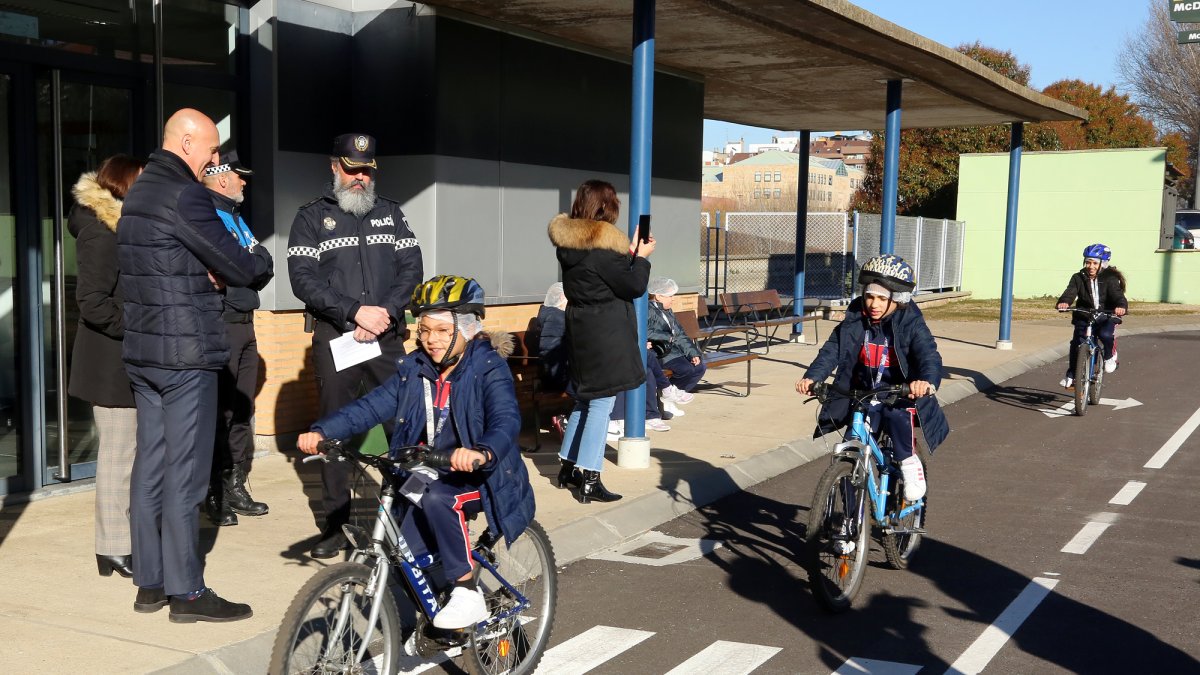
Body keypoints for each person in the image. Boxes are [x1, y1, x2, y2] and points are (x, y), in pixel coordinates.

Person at [296, 275, 534, 629]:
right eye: (423, 330)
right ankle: (441, 617)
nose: (430, 340)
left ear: (466, 329)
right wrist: (323, 431)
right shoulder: (414, 369)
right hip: (431, 468)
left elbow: (505, 419)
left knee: (439, 499)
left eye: (440, 330)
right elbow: (372, 406)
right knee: (406, 551)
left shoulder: (488, 368)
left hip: (482, 472)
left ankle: (467, 592)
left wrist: (481, 451)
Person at [118, 108, 273, 622]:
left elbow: (163, 259)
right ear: (186, 144)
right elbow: (243, 266)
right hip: (183, 355)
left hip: (144, 352)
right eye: (210, 150)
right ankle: (185, 593)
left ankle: (150, 583)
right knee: (185, 474)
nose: (214, 160)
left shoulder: (139, 191)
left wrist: (201, 269)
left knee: (150, 467)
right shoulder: (186, 194)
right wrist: (232, 267)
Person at [287, 133, 424, 558]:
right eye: (352, 168)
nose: (360, 177)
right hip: (338, 340)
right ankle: (334, 525)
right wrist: (353, 312)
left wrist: (382, 311)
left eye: (366, 169)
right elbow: (302, 280)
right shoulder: (310, 217)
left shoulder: (392, 214)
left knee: (407, 424)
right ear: (334, 167)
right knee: (334, 433)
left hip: (386, 338)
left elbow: (411, 269)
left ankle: (409, 519)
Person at [795, 254, 949, 501]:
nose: (873, 304)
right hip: (864, 392)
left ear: (896, 300)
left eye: (881, 298)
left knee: (897, 416)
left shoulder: (910, 322)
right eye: (869, 296)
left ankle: (910, 465)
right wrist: (812, 377)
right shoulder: (855, 319)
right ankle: (848, 521)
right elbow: (832, 349)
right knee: (849, 453)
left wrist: (926, 382)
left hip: (899, 392)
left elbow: (928, 355)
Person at [548, 179, 654, 503]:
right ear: (607, 207)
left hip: (581, 328)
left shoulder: (570, 244)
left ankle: (567, 466)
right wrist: (643, 256)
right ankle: (590, 477)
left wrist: (631, 253)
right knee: (603, 402)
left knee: (586, 398)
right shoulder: (605, 246)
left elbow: (606, 276)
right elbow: (632, 285)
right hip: (605, 330)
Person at [68, 153, 146, 580]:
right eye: (142, 182)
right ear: (123, 185)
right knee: (118, 456)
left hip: (120, 358)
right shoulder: (100, 233)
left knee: (129, 455)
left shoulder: (119, 228)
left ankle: (121, 541)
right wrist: (137, 329)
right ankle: (112, 547)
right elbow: (93, 303)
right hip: (109, 362)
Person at [200, 151, 271, 526]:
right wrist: (246, 268)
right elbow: (239, 266)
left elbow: (264, 265)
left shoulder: (237, 218)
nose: (245, 182)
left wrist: (245, 268)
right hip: (221, 321)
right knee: (220, 412)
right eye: (240, 176)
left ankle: (236, 484)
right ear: (222, 177)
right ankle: (213, 491)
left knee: (243, 410)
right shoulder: (209, 214)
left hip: (246, 322)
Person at [1055, 243, 1127, 389]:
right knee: (1077, 343)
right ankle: (1072, 374)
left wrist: (1121, 307)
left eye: (1095, 263)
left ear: (1103, 264)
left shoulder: (1110, 278)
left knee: (1105, 334)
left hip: (1106, 315)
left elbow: (1118, 296)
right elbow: (1070, 292)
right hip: (1085, 315)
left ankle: (1109, 356)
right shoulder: (1078, 278)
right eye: (1088, 262)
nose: (1091, 266)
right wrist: (1064, 302)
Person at [647, 276, 705, 403]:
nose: (673, 299)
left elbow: (679, 334)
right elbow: (645, 331)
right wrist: (668, 337)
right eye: (669, 295)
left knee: (699, 367)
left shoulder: (667, 311)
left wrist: (693, 352)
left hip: (673, 350)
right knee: (685, 369)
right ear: (658, 296)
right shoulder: (648, 310)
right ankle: (666, 397)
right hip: (660, 352)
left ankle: (674, 396)